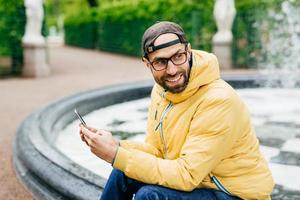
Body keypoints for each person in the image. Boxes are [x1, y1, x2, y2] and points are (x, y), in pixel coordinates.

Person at [79, 21, 274, 200]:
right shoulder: (163, 89)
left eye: (178, 57)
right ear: (148, 64)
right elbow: (157, 151)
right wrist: (116, 145)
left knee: (150, 196)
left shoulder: (218, 100)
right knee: (123, 171)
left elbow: (187, 175)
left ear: (188, 51)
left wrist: (114, 154)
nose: (172, 70)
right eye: (160, 62)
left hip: (233, 193)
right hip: (201, 182)